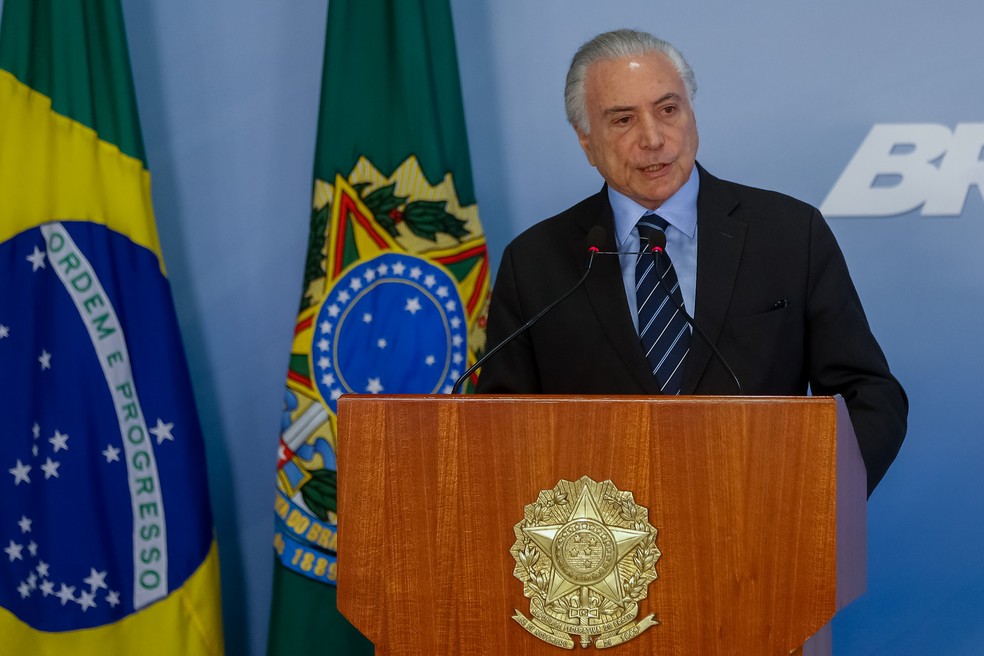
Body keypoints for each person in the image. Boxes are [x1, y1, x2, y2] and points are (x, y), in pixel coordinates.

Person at [475, 29, 907, 495]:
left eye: (667, 109)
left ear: (691, 114)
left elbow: (869, 394)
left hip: (762, 536)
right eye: (622, 120)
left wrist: (817, 498)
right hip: (599, 553)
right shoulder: (536, 261)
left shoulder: (788, 233)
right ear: (586, 141)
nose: (653, 138)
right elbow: (500, 428)